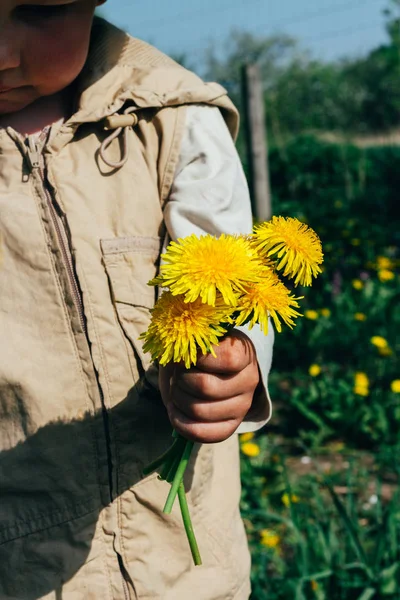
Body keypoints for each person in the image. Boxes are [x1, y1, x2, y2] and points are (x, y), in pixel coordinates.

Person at [0, 2, 274, 598]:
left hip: (188, 567)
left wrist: (231, 367)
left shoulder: (174, 122)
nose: (1, 52)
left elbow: (232, 283)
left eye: (39, 11)